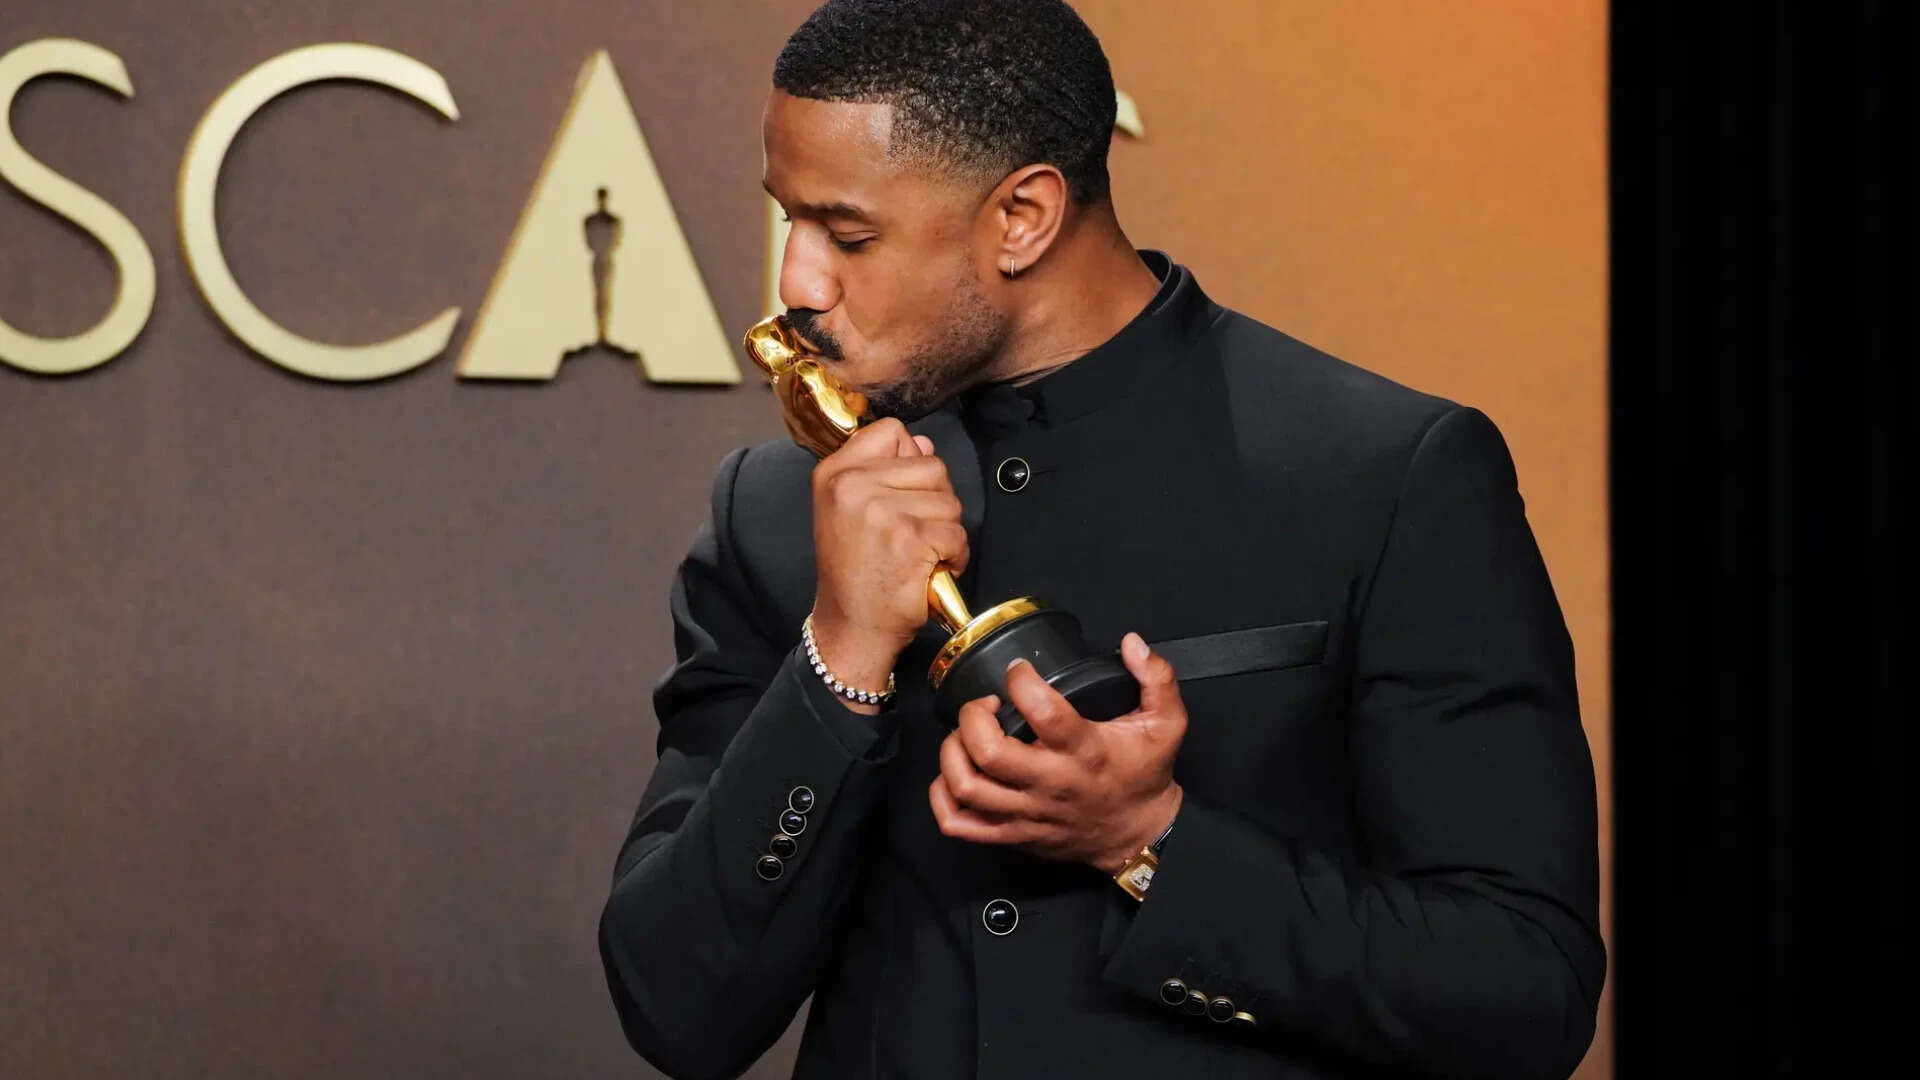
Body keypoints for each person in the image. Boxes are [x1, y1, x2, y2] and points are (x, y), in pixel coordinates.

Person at [598, 1, 1604, 1077]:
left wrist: (1150, 843)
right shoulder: (776, 510)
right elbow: (677, 1012)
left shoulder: (1384, 477)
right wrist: (837, 659)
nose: (797, 284)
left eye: (848, 235)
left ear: (1024, 214)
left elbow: (1521, 990)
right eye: (786, 222)